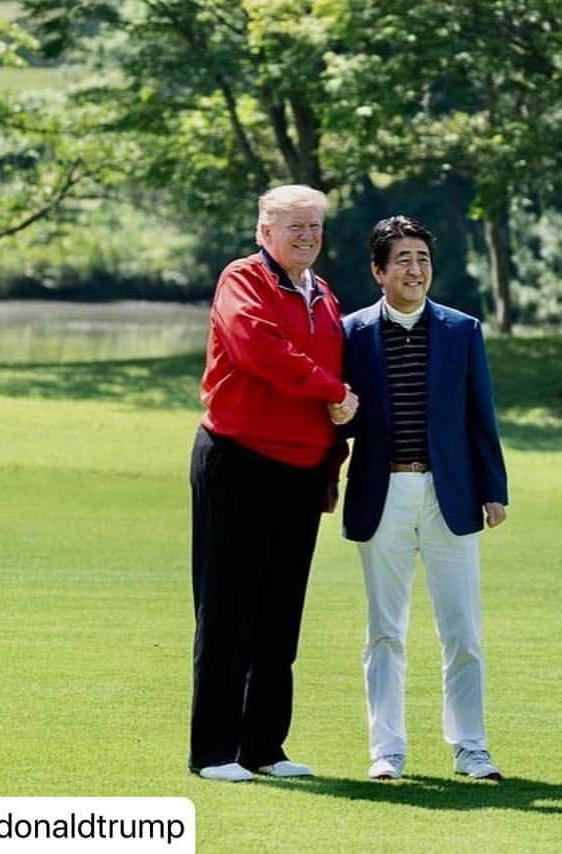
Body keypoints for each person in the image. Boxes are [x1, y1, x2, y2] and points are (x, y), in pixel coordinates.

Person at [188, 184, 358, 782]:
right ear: (265, 231)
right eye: (294, 227)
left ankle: (263, 747)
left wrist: (331, 463)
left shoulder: (326, 295)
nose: (307, 236)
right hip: (238, 459)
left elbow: (335, 379)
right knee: (228, 606)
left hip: (300, 470)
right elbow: (261, 349)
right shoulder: (244, 279)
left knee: (280, 614)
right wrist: (333, 392)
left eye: (314, 226)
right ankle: (213, 751)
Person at [337, 215, 508, 782]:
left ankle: (471, 748)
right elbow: (336, 420)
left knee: (462, 630)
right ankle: (386, 751)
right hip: (381, 492)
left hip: (449, 494)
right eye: (403, 260)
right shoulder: (351, 333)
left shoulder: (462, 330)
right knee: (384, 631)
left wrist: (494, 490)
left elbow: (479, 417)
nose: (416, 269)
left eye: (423, 259)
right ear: (378, 271)